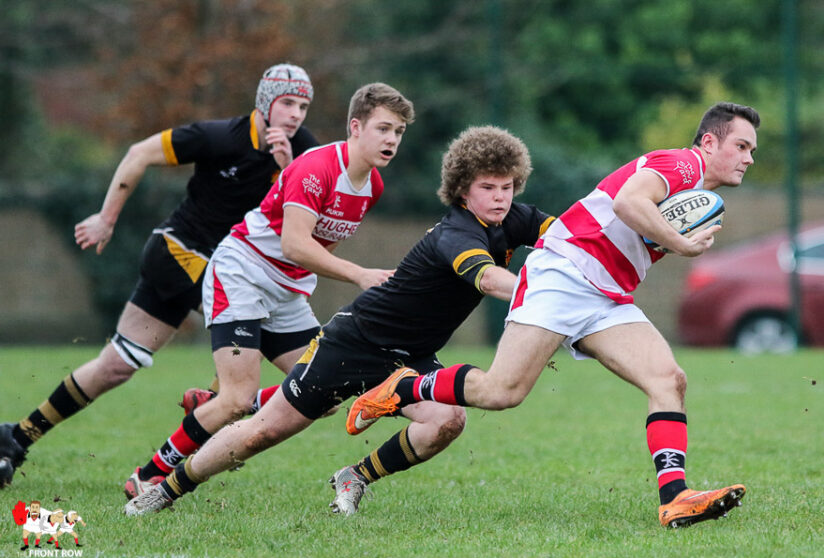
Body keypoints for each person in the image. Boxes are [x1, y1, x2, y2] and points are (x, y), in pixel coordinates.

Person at [345, 102, 759, 528]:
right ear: (709, 142)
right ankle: (405, 387)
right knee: (501, 392)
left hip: (605, 293)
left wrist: (666, 239)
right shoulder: (682, 164)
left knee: (668, 379)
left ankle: (675, 497)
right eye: (741, 145)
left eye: (751, 149)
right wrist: (682, 243)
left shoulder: (694, 189)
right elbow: (627, 202)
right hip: (565, 274)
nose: (748, 157)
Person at [124, 125, 554, 517]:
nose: (501, 196)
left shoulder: (513, 216)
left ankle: (356, 476)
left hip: (410, 357)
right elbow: (486, 276)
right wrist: (543, 295)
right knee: (261, 434)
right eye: (488, 187)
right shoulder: (456, 232)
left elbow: (566, 234)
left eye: (508, 186)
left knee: (446, 421)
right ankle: (165, 490)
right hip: (352, 344)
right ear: (462, 191)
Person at [0, 63, 319, 488]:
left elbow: (301, 221)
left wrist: (288, 168)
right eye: (288, 103)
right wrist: (105, 219)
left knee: (115, 366)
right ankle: (212, 401)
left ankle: (16, 436)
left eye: (303, 106)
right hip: (178, 255)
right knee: (250, 312)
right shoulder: (220, 136)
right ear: (265, 102)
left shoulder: (303, 151)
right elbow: (139, 153)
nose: (296, 114)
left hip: (231, 268)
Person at [121, 82, 411, 499]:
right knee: (237, 397)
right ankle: (149, 473)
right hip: (241, 272)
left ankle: (209, 402)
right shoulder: (317, 168)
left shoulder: (373, 187)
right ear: (355, 126)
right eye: (384, 128)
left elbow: (316, 246)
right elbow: (295, 244)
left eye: (399, 132)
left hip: (285, 291)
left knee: (327, 392)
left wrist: (303, 284)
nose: (391, 140)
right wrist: (359, 274)